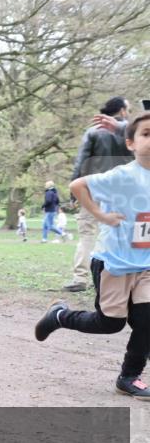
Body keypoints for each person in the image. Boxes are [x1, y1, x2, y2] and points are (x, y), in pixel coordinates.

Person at [34, 111, 150, 400]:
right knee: (110, 324)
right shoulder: (122, 175)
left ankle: (129, 377)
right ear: (130, 143)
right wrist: (100, 214)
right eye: (146, 134)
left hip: (146, 265)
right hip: (115, 263)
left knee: (148, 322)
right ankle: (58, 316)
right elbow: (77, 186)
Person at [64, 96, 134, 292]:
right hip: (123, 189)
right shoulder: (134, 134)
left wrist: (74, 191)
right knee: (122, 232)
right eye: (128, 109)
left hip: (93, 188)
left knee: (87, 234)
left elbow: (81, 162)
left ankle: (80, 278)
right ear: (121, 111)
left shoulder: (93, 131)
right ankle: (120, 277)